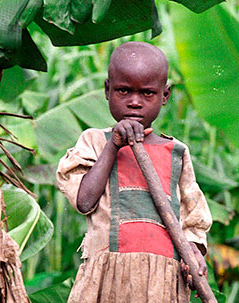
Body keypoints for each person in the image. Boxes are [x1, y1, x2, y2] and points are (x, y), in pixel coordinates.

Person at [56, 41, 212, 303]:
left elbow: (193, 218)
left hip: (162, 283)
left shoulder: (176, 152)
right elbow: (84, 201)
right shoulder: (94, 143)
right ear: (107, 90)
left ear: (165, 96)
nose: (134, 103)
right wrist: (113, 146)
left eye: (147, 93)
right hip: (106, 278)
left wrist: (194, 252)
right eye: (123, 91)